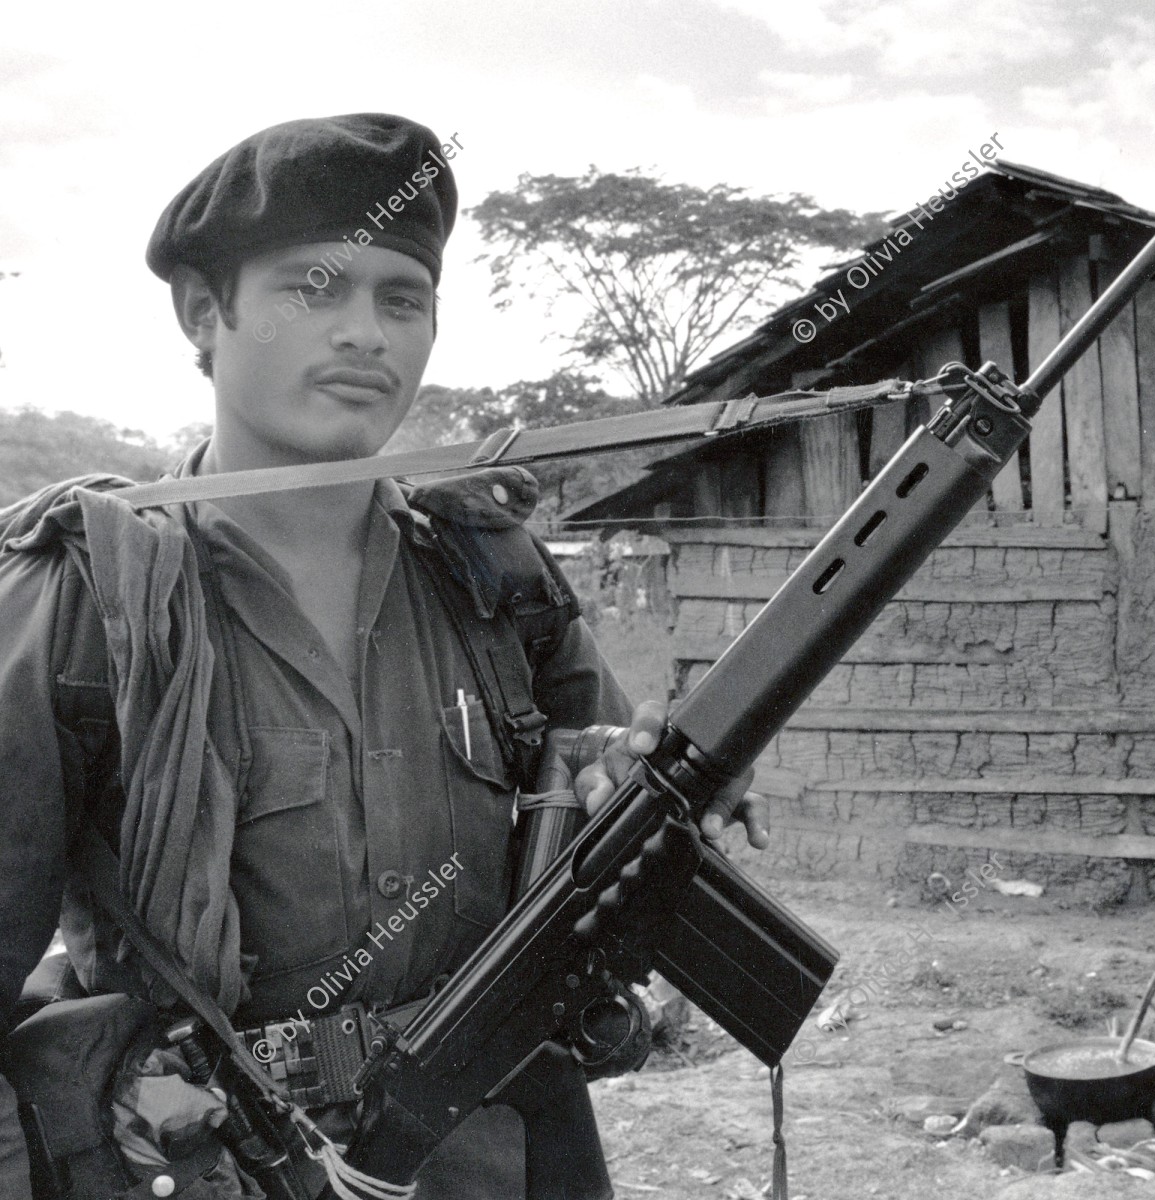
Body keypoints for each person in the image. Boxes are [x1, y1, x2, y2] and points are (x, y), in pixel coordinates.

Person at [0, 113, 767, 1199]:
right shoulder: (81, 603)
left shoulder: (493, 578)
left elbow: (613, 831)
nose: (366, 332)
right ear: (205, 314)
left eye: (401, 298)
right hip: (210, 1163)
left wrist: (653, 792)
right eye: (315, 288)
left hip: (505, 1148)